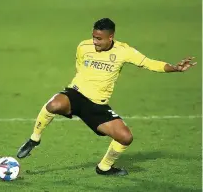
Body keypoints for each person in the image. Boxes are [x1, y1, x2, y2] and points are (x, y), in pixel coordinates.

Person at [16, 18, 197, 176]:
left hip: (98, 106)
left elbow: (149, 63)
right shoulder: (83, 46)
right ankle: (34, 139)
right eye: (94, 37)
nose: (95, 41)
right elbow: (79, 66)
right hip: (76, 95)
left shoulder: (124, 51)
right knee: (54, 104)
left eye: (99, 38)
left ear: (111, 37)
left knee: (125, 137)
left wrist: (175, 68)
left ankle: (104, 167)